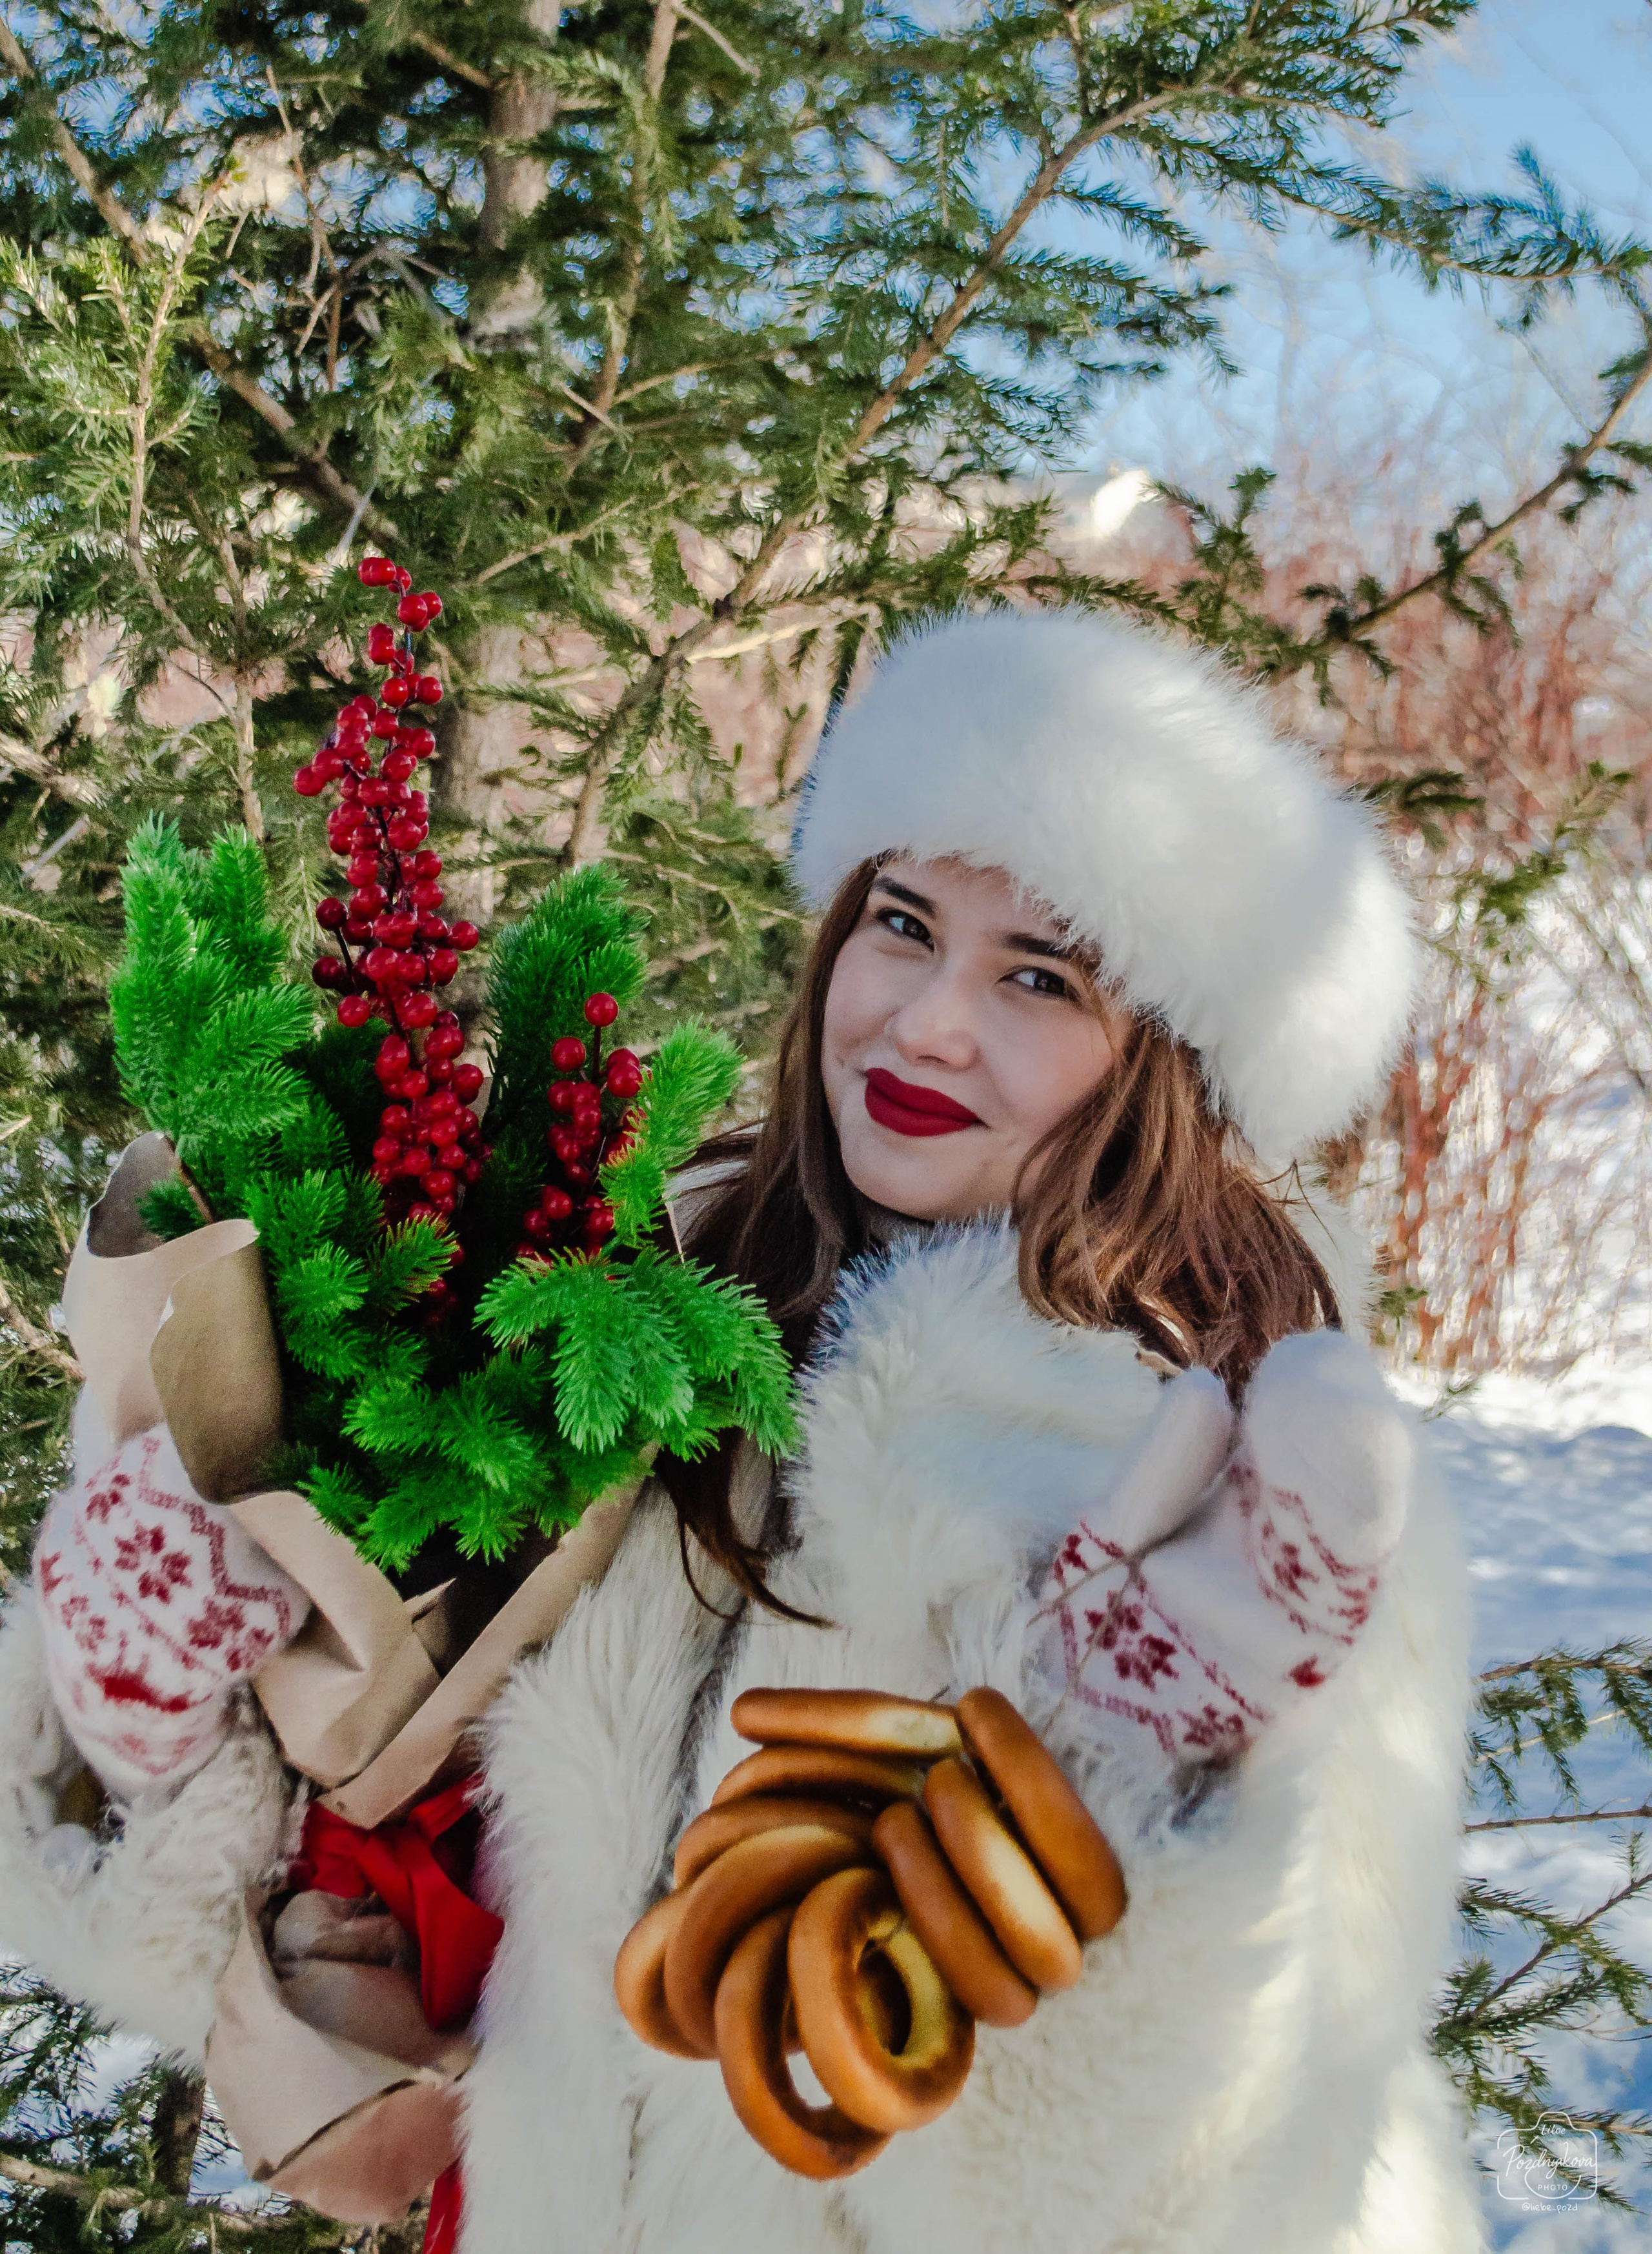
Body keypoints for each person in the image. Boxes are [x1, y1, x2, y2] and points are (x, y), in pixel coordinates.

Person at [0, 609, 1482, 2253]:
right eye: (901, 924)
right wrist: (158, 1709)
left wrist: (1112, 1782)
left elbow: (1216, 2190)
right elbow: (392, 1894)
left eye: (1038, 975)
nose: (926, 1020)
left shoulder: (1261, 1491)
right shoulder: (635, 1292)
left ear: (1170, 1063)